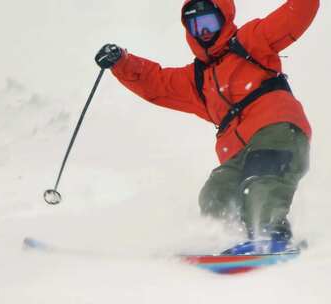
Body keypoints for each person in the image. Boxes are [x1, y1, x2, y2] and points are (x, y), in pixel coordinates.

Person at [95, 0, 319, 254]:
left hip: (276, 129)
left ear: (223, 19)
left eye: (209, 23)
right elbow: (156, 83)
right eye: (195, 26)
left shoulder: (251, 41)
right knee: (217, 192)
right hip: (237, 151)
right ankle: (228, 241)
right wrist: (121, 62)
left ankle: (272, 235)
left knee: (261, 179)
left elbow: (297, 13)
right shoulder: (198, 78)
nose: (203, 32)